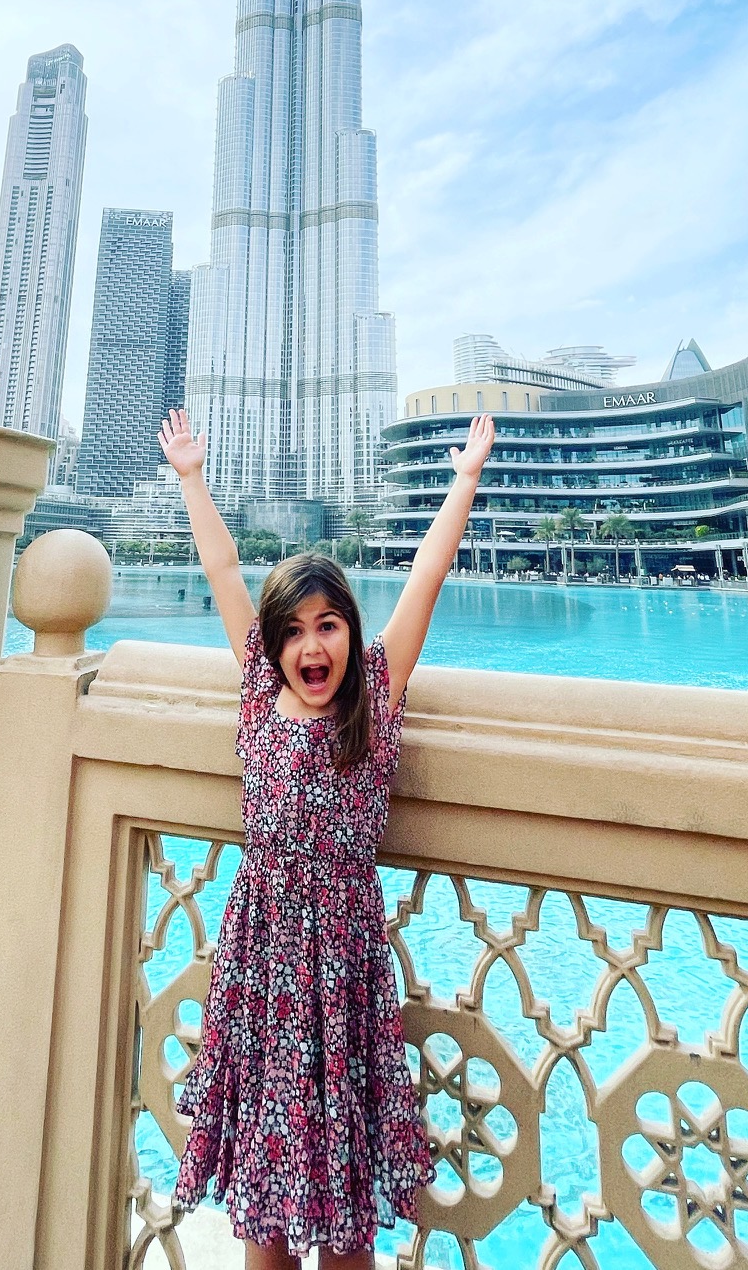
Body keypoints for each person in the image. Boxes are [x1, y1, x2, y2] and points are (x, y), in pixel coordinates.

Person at [156, 406, 497, 1268]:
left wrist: (462, 482)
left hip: (340, 971)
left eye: (328, 626)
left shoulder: (374, 698)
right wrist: (193, 479)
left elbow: (427, 574)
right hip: (262, 965)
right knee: (264, 1203)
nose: (312, 646)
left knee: (342, 1200)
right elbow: (224, 566)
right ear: (273, 646)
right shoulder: (257, 693)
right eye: (293, 631)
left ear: (350, 632)